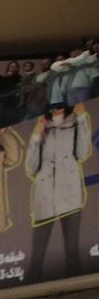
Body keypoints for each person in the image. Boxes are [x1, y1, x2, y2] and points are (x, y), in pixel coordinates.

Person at [25, 102, 93, 278]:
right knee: (36, 258)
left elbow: (83, 153)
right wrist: (36, 136)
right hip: (44, 195)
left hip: (70, 192)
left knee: (72, 253)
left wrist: (82, 118)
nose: (57, 107)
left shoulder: (75, 121)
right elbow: (31, 168)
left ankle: (78, 291)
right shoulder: (42, 125)